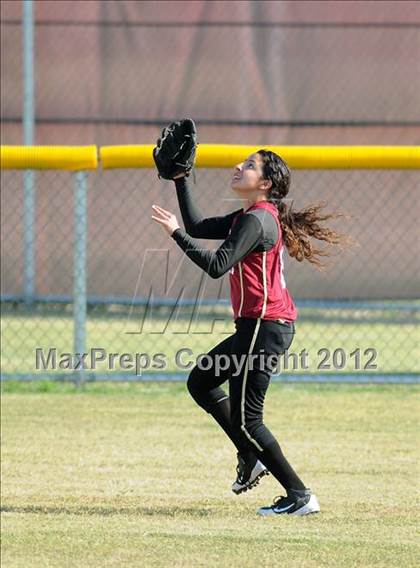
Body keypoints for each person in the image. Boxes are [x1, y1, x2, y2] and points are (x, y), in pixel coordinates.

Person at [151, 149, 347, 516]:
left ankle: (300, 495)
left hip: (265, 326)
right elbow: (198, 227)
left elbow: (216, 265)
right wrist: (180, 179)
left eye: (250, 165)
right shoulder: (249, 217)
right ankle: (250, 457)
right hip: (256, 326)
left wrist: (174, 234)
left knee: (248, 418)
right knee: (202, 381)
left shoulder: (257, 221)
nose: (239, 167)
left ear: (266, 183)